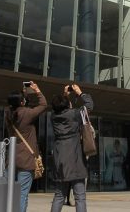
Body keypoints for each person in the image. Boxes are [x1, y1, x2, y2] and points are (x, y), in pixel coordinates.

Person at [50, 83, 93, 212]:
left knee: (59, 196)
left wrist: (65, 96)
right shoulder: (74, 114)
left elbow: (60, 107)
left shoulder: (54, 117)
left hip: (60, 159)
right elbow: (89, 105)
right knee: (80, 197)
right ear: (68, 105)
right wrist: (80, 93)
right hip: (75, 160)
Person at [6, 82, 47, 212]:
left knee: (9, 193)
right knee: (22, 194)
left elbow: (17, 106)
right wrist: (37, 90)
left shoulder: (8, 113)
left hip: (12, 159)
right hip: (26, 159)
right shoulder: (27, 114)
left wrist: (23, 95)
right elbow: (43, 105)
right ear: (22, 102)